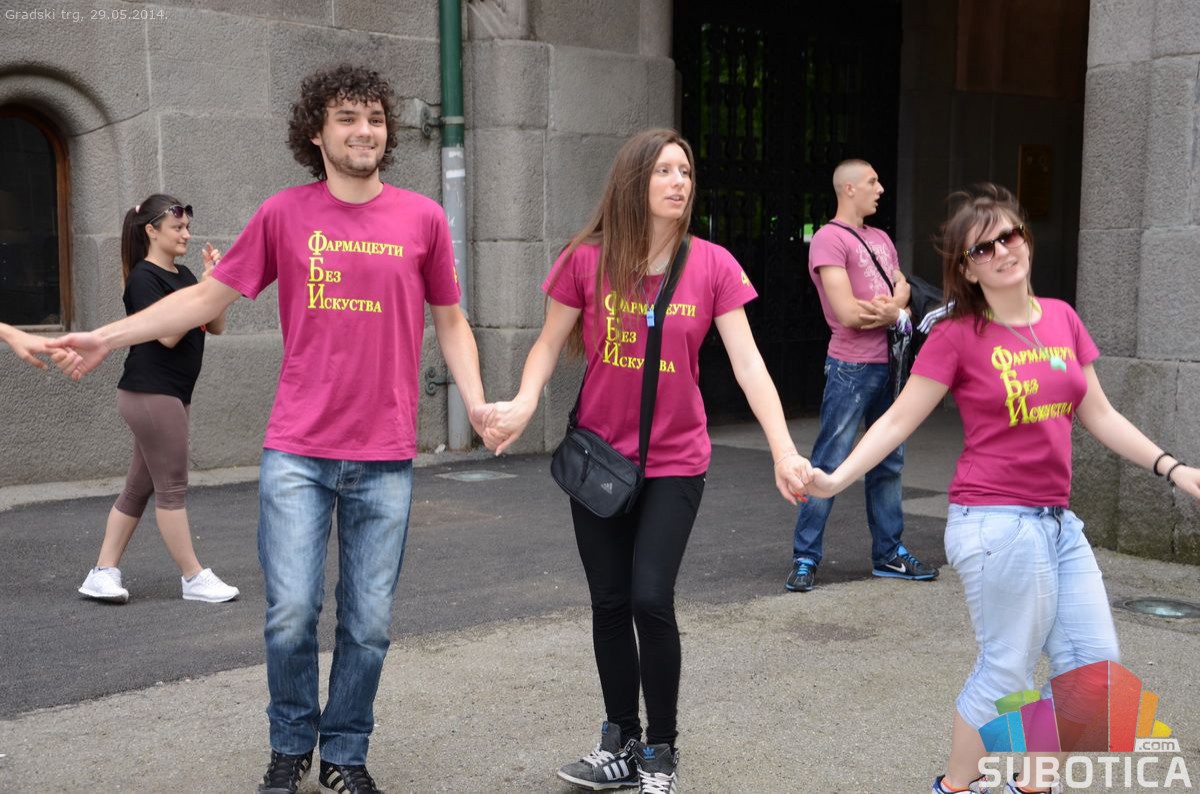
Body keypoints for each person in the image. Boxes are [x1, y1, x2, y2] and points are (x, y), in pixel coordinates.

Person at [50, 65, 488, 794]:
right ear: (316, 133)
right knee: (290, 614)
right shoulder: (285, 214)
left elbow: (451, 322)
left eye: (375, 118)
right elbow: (201, 303)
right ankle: (290, 747)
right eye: (347, 118)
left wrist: (475, 401)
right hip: (298, 453)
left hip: (385, 454)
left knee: (369, 623)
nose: (365, 131)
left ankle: (345, 755)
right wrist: (105, 335)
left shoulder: (423, 219)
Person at [806, 184, 1200, 794]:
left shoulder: (1063, 319)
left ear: (1026, 238)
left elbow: (1099, 414)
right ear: (967, 269)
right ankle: (955, 787)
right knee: (1006, 672)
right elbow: (897, 420)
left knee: (1094, 670)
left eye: (1009, 235)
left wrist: (1174, 469)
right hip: (996, 524)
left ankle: (1031, 784)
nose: (1002, 251)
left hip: (1058, 523)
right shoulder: (958, 335)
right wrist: (834, 478)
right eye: (982, 248)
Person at [476, 128, 812, 794]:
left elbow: (749, 365)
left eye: (685, 171)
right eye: (664, 171)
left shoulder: (713, 265)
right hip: (600, 458)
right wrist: (523, 402)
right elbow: (548, 344)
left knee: (650, 598)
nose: (679, 182)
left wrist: (783, 450)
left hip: (675, 460)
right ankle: (619, 741)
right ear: (635, 182)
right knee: (609, 601)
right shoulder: (585, 261)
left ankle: (661, 747)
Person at [75, 195, 238, 605]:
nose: (186, 235)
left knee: (138, 488)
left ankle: (102, 573)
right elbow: (166, 334)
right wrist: (202, 293)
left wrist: (212, 285)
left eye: (187, 228)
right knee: (173, 487)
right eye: (177, 228)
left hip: (170, 394)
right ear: (151, 231)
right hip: (150, 392)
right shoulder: (143, 279)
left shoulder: (185, 275)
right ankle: (193, 576)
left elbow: (215, 324)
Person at [785, 158, 939, 593]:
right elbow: (849, 313)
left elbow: (903, 287)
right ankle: (805, 556)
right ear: (848, 188)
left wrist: (893, 306)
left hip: (891, 363)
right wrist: (894, 307)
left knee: (889, 461)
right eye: (872, 181)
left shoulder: (882, 239)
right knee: (829, 461)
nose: (880, 188)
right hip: (850, 368)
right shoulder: (828, 240)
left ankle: (889, 553)